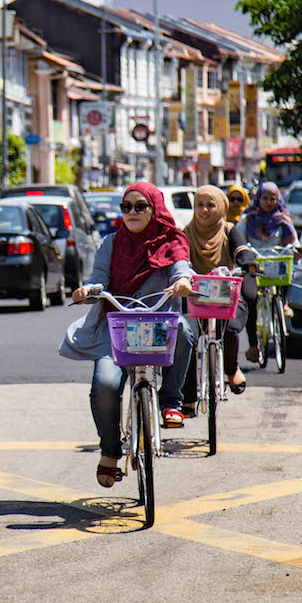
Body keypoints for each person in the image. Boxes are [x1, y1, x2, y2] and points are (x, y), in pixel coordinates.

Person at [60, 182, 195, 488]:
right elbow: (99, 279)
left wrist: (183, 281)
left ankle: (171, 401)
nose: (131, 213)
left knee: (185, 331)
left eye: (139, 206)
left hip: (159, 323)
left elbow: (181, 267)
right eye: (126, 207)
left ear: (155, 208)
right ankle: (110, 451)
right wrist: (89, 291)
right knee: (105, 384)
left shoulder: (173, 239)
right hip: (118, 327)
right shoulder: (110, 243)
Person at [181, 187, 256, 408]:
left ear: (220, 207)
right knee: (188, 336)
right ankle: (189, 397)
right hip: (196, 296)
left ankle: (231, 370)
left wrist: (248, 262)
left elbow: (240, 249)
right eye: (199, 205)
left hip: (226, 293)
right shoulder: (186, 232)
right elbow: (180, 257)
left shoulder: (228, 229)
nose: (204, 210)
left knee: (231, 326)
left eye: (210, 205)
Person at [240, 182, 302, 362]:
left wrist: (297, 248)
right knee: (251, 301)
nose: (268, 202)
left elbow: (293, 240)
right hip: (255, 267)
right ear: (258, 199)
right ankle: (253, 346)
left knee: (290, 271)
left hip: (276, 265)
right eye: (265, 198)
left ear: (278, 200)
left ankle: (284, 303)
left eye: (272, 199)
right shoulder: (248, 219)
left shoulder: (283, 219)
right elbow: (238, 239)